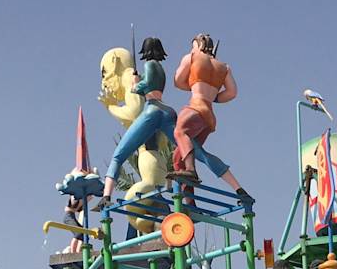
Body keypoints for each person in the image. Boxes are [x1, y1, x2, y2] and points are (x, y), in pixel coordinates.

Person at [172, 35, 251, 202]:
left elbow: (178, 81)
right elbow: (232, 93)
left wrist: (194, 85)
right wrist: (214, 95)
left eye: (193, 45)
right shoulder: (224, 67)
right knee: (179, 157)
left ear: (198, 45)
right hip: (209, 116)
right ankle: (190, 203)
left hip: (196, 106)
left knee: (179, 131)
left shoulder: (192, 57)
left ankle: (191, 170)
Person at [100, 37, 177, 205]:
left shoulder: (129, 76)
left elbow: (133, 111)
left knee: (118, 157)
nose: (104, 81)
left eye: (104, 73)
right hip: (156, 149)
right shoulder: (157, 69)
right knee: (189, 149)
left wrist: (111, 106)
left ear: (115, 63)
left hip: (148, 151)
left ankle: (106, 197)